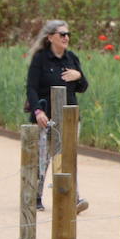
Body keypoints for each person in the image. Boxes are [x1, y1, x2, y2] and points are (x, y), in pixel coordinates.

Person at [25, 19, 89, 213]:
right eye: (62, 34)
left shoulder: (72, 59)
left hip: (69, 118)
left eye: (68, 34)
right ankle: (35, 196)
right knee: (43, 158)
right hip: (46, 117)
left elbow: (83, 87)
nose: (66, 38)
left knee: (68, 157)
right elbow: (31, 88)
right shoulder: (40, 59)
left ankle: (73, 198)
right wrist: (38, 111)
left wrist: (78, 76)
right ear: (51, 37)